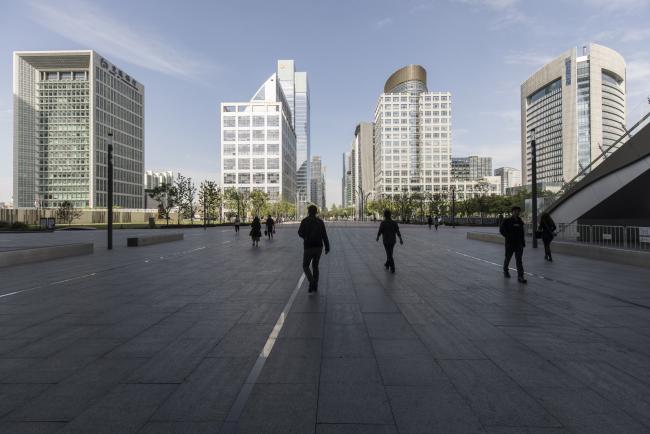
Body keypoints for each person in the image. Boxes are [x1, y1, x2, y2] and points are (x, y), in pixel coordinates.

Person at [298, 205, 330, 293]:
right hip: (319, 247)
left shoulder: (304, 221)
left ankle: (312, 282)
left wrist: (305, 237)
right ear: (316, 212)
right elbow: (324, 235)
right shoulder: (320, 222)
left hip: (308, 247)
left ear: (308, 212)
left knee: (305, 266)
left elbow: (300, 232)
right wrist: (327, 247)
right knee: (315, 266)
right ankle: (315, 285)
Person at [499, 206, 527, 283]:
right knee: (508, 258)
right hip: (510, 244)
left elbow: (522, 233)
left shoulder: (520, 221)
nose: (517, 213)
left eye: (518, 211)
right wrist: (508, 236)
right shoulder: (507, 221)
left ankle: (520, 276)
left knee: (519, 260)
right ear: (512, 212)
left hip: (519, 244)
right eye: (515, 211)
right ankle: (505, 270)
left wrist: (523, 242)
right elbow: (501, 230)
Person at [376, 209, 403, 273]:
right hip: (393, 240)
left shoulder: (383, 223)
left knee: (389, 253)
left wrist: (378, 237)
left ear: (385, 215)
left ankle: (392, 267)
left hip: (386, 240)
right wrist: (400, 239)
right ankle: (387, 264)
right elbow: (397, 231)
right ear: (390, 215)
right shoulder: (394, 223)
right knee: (390, 253)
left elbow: (380, 230)